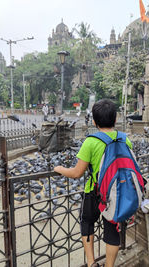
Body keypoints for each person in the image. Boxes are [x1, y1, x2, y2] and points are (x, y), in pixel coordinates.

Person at [54, 99, 132, 267]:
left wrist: (60, 168)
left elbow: (76, 173)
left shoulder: (91, 142)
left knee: (87, 222)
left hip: (95, 192)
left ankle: (91, 263)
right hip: (117, 192)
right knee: (112, 228)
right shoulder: (125, 140)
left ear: (94, 121)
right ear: (115, 119)